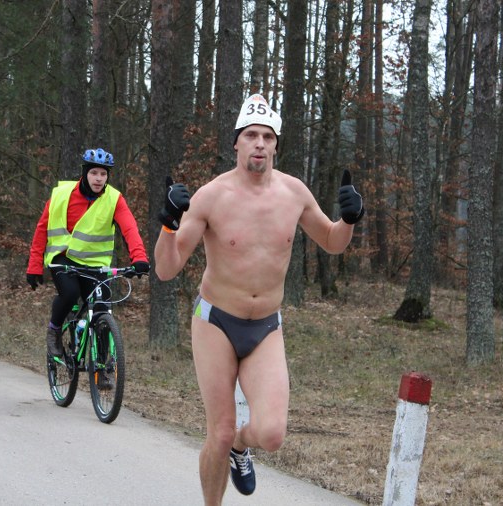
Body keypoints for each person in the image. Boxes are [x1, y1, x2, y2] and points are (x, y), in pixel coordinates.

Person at [153, 94, 364, 505]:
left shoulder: (294, 192)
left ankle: (241, 446)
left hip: (266, 326)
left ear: (276, 145)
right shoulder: (212, 196)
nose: (260, 144)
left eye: (268, 137)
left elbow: (332, 241)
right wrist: (168, 225)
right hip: (216, 321)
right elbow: (166, 269)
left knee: (271, 434)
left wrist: (349, 220)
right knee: (219, 432)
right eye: (251, 135)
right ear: (236, 142)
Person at [26, 148, 150, 359]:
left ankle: (103, 366)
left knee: (102, 308)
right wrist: (34, 265)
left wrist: (139, 257)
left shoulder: (114, 199)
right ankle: (54, 330)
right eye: (94, 173)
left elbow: (130, 228)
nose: (99, 178)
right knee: (70, 293)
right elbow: (42, 229)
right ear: (84, 173)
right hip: (64, 258)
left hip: (96, 264)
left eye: (103, 174)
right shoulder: (62, 195)